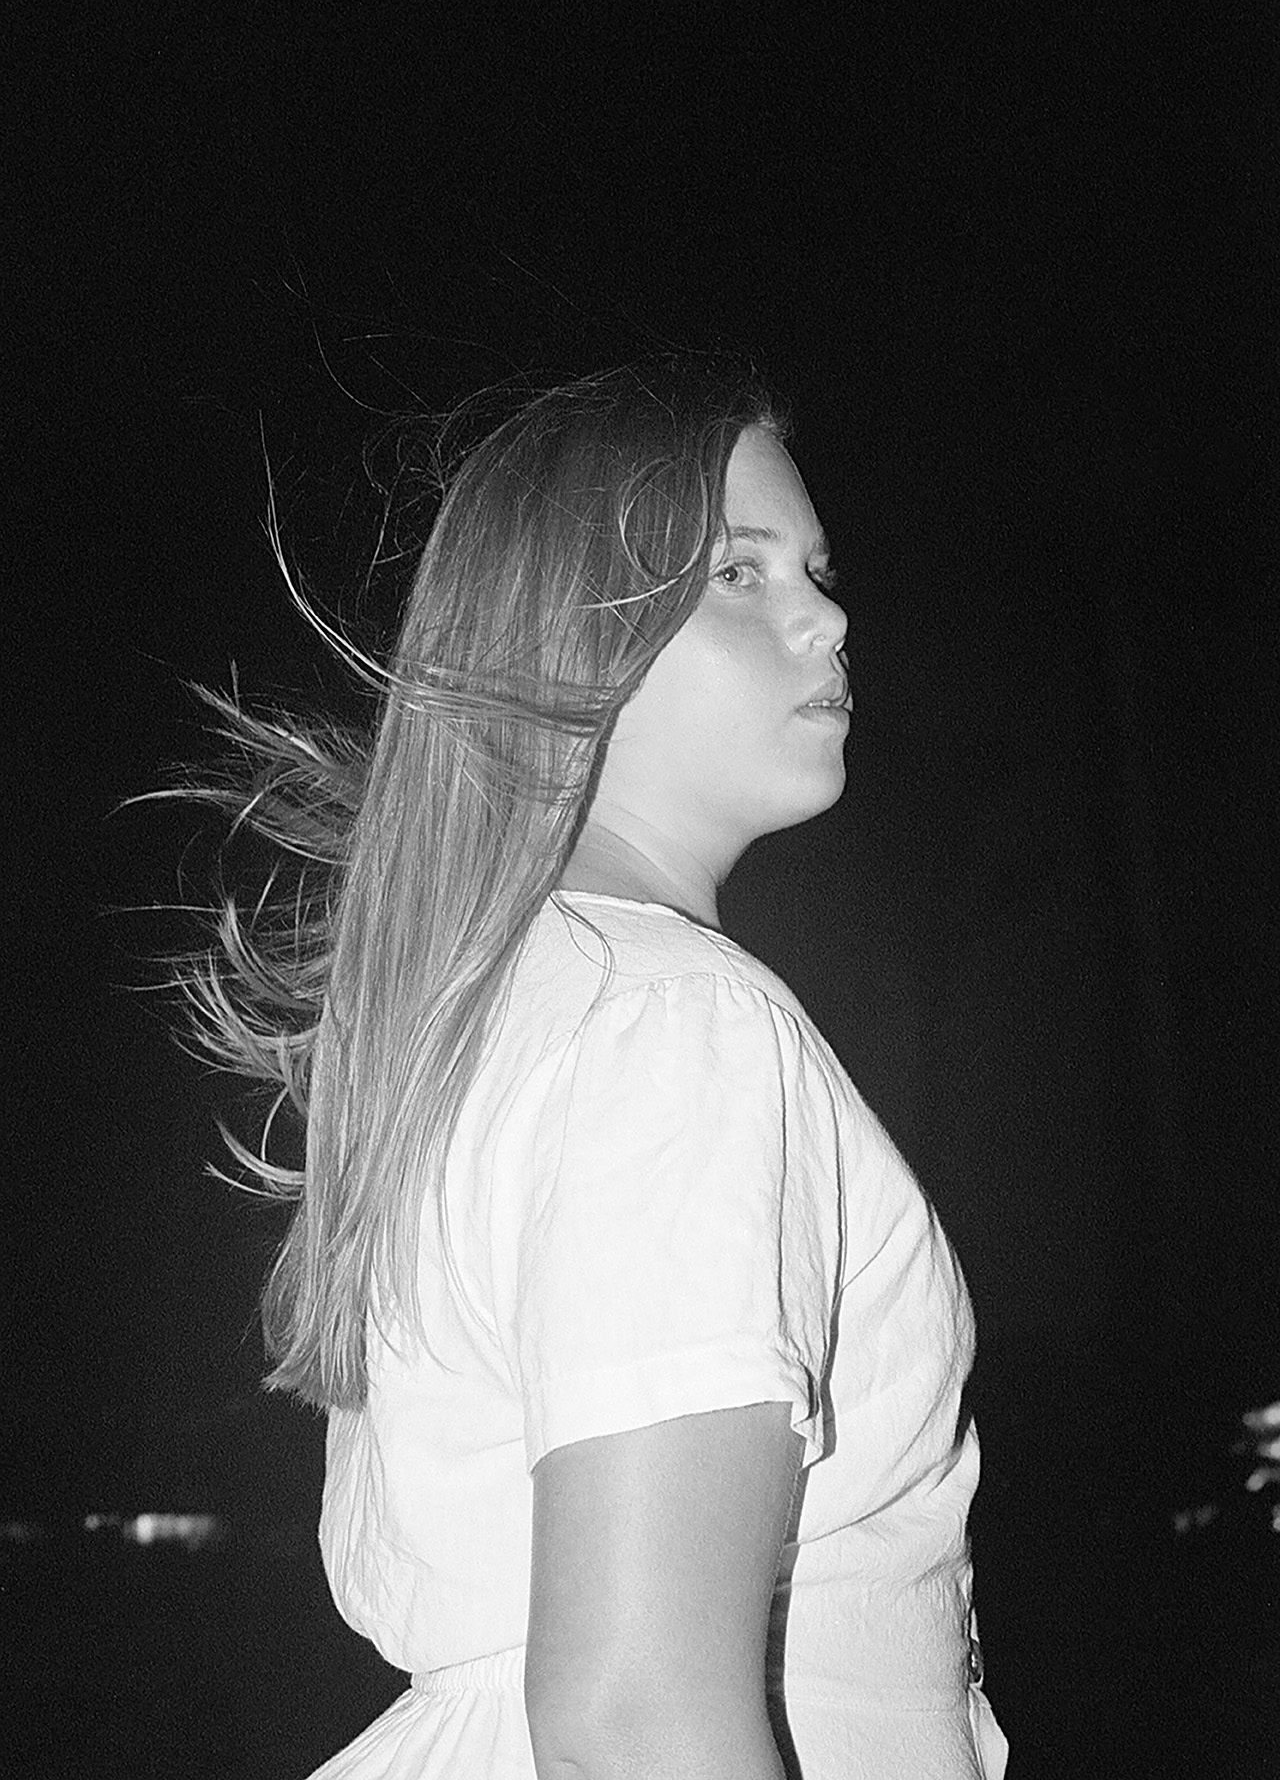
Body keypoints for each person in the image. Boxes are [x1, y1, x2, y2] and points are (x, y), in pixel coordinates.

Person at [162, 358, 1008, 1778]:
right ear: (572, 635)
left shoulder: (528, 1010)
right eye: (738, 573)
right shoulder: (673, 1023)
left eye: (814, 565)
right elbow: (639, 1719)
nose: (827, 613)